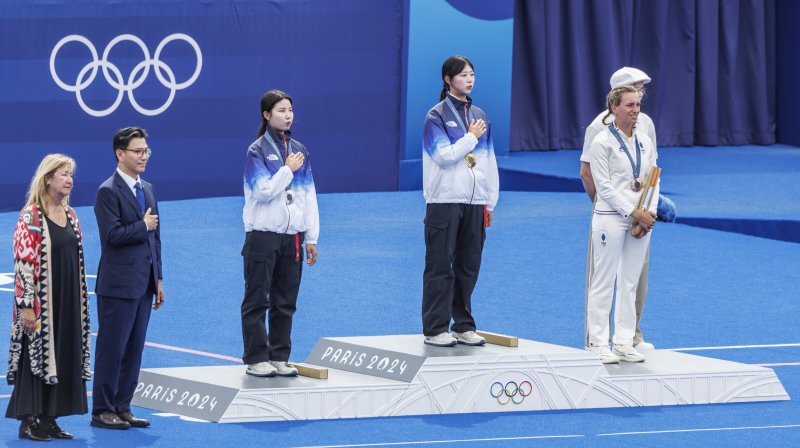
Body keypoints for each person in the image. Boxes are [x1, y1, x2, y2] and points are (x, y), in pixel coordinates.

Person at [6, 154, 91, 441]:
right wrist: (26, 307)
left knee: (63, 354)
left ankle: (49, 418)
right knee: (35, 358)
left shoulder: (71, 215)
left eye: (71, 175)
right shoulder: (30, 216)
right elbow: (22, 265)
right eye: (63, 174)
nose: (69, 180)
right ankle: (28, 420)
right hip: (40, 304)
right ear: (48, 179)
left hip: (67, 299)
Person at [421, 55, 499, 347]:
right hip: (444, 200)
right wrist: (469, 137)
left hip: (475, 201)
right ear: (447, 79)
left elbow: (489, 161)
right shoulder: (436, 116)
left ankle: (463, 324)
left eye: (472, 75)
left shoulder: (479, 114)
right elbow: (443, 156)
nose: (469, 79)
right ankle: (435, 328)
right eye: (463, 75)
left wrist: (489, 202)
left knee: (469, 264)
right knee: (440, 265)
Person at [241, 90, 319, 377]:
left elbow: (308, 195)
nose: (288, 116)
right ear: (266, 115)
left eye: (290, 110)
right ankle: (256, 358)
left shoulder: (299, 149)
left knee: (286, 299)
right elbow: (263, 192)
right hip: (263, 235)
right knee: (257, 298)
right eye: (281, 111)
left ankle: (279, 356)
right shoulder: (257, 151)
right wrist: (286, 170)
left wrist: (311, 237)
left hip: (293, 237)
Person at [92, 127, 165, 429]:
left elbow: (156, 239)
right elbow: (111, 237)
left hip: (143, 284)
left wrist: (158, 279)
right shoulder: (107, 191)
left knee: (134, 349)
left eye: (146, 150)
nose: (143, 156)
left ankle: (123, 406)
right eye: (137, 151)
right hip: (118, 286)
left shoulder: (147, 188)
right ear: (120, 154)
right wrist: (143, 226)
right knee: (112, 349)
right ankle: (102, 410)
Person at [581, 67, 657, 352]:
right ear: (615, 101)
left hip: (640, 213)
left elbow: (651, 174)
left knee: (633, 277)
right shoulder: (598, 131)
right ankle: (596, 340)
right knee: (603, 277)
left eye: (640, 96)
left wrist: (647, 212)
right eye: (634, 93)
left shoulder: (645, 127)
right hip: (610, 212)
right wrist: (616, 209)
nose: (639, 102)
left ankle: (629, 338)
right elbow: (591, 177)